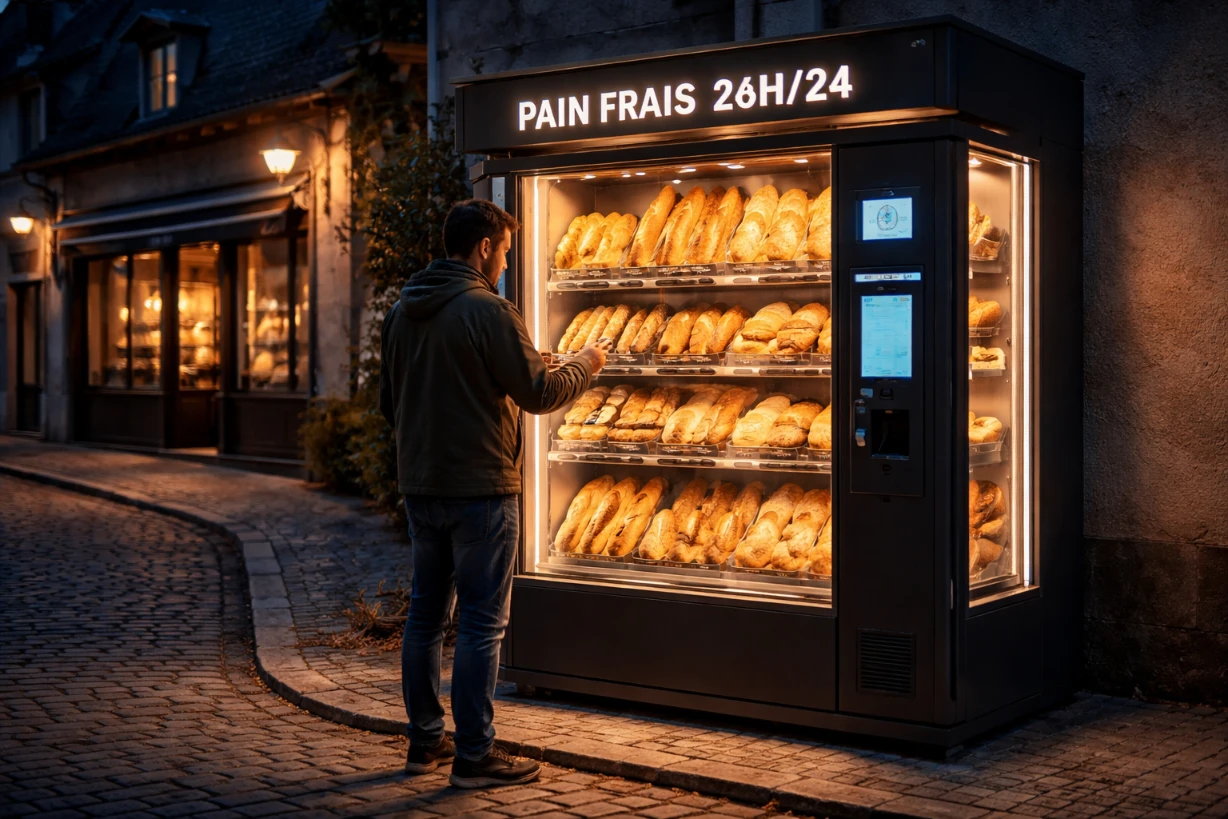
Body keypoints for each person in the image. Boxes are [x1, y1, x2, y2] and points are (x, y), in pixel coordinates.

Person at [379, 199, 607, 787]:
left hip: (421, 490)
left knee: (426, 618)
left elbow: (390, 405)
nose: (506, 262)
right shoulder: (490, 310)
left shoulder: (403, 312)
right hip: (481, 489)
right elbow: (538, 395)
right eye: (504, 251)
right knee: (482, 623)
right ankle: (476, 755)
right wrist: (584, 364)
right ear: (484, 247)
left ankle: (424, 742)